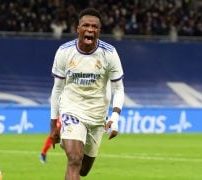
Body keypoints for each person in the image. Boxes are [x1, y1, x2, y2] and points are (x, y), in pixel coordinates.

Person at [49, 7, 125, 180]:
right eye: (86, 25)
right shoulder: (64, 52)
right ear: (78, 28)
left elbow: (118, 88)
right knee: (74, 159)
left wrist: (114, 117)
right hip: (71, 110)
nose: (90, 29)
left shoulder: (109, 53)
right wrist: (53, 124)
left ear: (99, 31)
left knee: (83, 169)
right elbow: (57, 89)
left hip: (98, 116)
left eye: (94, 27)